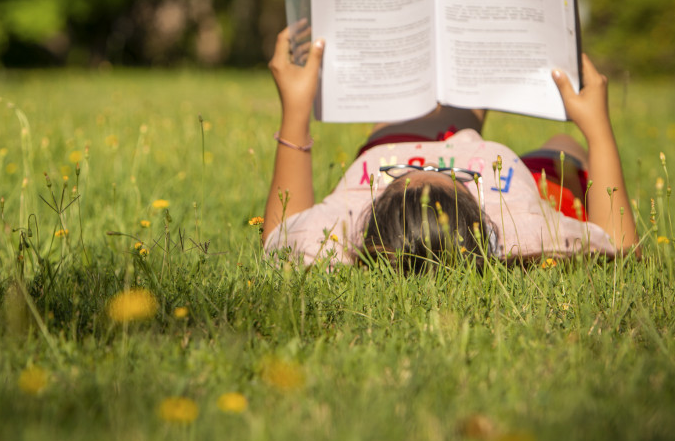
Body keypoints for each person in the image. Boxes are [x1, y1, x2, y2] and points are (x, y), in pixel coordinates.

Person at [262, 26, 638, 269]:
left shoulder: (343, 228)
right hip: (502, 170)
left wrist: (295, 110)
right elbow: (621, 248)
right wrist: (597, 129)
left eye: (403, 175)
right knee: (563, 144)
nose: (435, 158)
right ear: (482, 212)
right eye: (454, 176)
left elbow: (278, 238)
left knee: (412, 80)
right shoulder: (519, 230)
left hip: (393, 144)